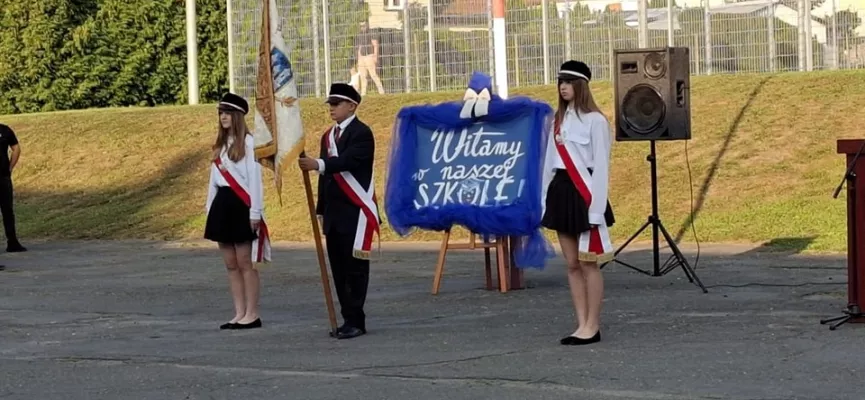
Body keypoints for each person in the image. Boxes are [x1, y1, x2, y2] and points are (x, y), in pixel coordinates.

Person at [540, 60, 615, 346]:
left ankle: (593, 326)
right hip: (561, 191)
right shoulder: (557, 122)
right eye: (561, 81)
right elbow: (549, 164)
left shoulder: (596, 121)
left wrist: (596, 210)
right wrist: (544, 201)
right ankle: (581, 323)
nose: (563, 87)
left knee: (588, 263)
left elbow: (602, 168)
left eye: (569, 82)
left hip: (584, 194)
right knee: (571, 264)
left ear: (581, 85)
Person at [298, 83, 380, 340]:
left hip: (355, 212)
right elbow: (326, 179)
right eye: (330, 104)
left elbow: (347, 162)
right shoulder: (328, 137)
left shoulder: (362, 133)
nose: (331, 108)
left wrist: (317, 164)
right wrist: (321, 207)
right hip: (334, 213)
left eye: (336, 104)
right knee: (338, 268)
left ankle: (356, 320)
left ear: (352, 106)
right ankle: (346, 318)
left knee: (355, 268)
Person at [204, 93, 271, 331]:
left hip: (241, 205)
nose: (223, 117)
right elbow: (214, 181)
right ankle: (239, 312)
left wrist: (255, 212)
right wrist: (209, 208)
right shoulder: (221, 146)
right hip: (222, 205)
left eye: (227, 113)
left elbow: (255, 180)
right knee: (230, 263)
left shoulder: (250, 144)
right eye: (221, 113)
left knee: (245, 262)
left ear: (238, 116)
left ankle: (252, 314)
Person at [0, 123, 25, 253]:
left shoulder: (5, 130)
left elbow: (16, 148)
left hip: (3, 176)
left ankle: (12, 242)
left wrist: (10, 168)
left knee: (7, 210)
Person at [353, 22, 385, 96]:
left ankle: (381, 91)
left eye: (364, 25)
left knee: (373, 75)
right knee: (362, 76)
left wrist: (375, 56)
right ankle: (363, 94)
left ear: (367, 25)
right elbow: (359, 47)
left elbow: (375, 45)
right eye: (361, 26)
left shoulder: (370, 33)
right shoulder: (359, 35)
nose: (362, 27)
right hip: (362, 57)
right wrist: (359, 58)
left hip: (369, 56)